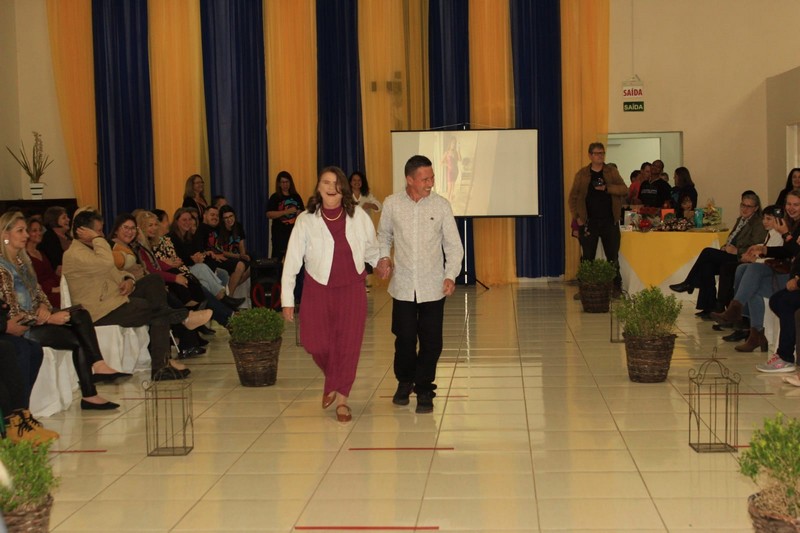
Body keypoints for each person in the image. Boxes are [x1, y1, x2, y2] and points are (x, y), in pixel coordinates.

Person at [63, 209, 211, 381]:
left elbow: (117, 272)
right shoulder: (75, 254)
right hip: (100, 311)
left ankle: (168, 351)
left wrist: (129, 280)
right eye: (98, 231)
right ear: (84, 231)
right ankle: (175, 335)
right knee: (154, 309)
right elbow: (107, 262)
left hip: (114, 299)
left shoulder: (90, 250)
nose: (101, 235)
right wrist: (98, 239)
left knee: (154, 281)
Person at [281, 166, 379, 423]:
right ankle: (334, 379)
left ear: (343, 188)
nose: (331, 187)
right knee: (313, 342)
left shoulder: (358, 216)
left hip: (352, 288)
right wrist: (287, 300)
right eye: (325, 182)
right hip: (317, 288)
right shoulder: (306, 220)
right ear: (318, 187)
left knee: (348, 344)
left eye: (336, 183)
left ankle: (342, 400)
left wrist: (382, 262)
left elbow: (372, 249)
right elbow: (292, 261)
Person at [0, 211, 126, 410]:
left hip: (38, 315)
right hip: (24, 325)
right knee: (78, 340)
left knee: (81, 314)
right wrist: (47, 318)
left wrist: (44, 307)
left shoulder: (22, 262)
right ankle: (90, 391)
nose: (27, 235)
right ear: (5, 235)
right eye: (21, 231)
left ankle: (98, 369)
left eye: (26, 230)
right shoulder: (3, 268)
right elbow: (12, 310)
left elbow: (38, 292)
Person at [375, 155, 464, 414]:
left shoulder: (441, 206)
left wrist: (450, 275)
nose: (430, 183)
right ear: (410, 179)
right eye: (425, 179)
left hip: (433, 286)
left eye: (432, 177)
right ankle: (405, 382)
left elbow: (454, 246)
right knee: (404, 338)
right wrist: (384, 258)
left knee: (431, 341)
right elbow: (384, 236)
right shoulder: (392, 204)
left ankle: (424, 388)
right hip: (402, 286)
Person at [711, 190, 800, 356]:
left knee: (751, 272)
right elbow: (787, 251)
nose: (791, 208)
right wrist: (764, 250)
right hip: (785, 271)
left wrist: (785, 235)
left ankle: (737, 313)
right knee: (749, 280)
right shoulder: (791, 223)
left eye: (796, 205)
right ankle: (754, 333)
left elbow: (795, 251)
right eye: (789, 204)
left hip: (790, 276)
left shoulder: (789, 227)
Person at [669, 191, 767, 317]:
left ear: (756, 208)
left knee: (707, 252)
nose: (745, 209)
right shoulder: (741, 220)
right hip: (730, 253)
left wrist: (737, 251)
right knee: (707, 265)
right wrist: (725, 247)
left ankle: (690, 283)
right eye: (743, 205)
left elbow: (756, 246)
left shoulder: (758, 223)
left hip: (741, 257)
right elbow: (732, 240)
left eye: (749, 206)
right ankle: (709, 307)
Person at [567, 142, 629, 292]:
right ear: (590, 155)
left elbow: (624, 189)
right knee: (588, 258)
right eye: (597, 153)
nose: (600, 156)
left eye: (602, 153)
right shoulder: (582, 174)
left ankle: (616, 288)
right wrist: (577, 217)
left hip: (610, 221)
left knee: (612, 257)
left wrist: (607, 188)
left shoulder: (611, 172)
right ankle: (585, 289)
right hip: (589, 222)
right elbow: (573, 198)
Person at [160, 208, 243, 312]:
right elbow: (178, 260)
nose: (188, 222)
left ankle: (223, 308)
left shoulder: (189, 237)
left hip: (191, 266)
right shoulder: (171, 238)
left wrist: (201, 255)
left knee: (208, 281)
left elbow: (194, 252)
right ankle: (224, 299)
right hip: (181, 270)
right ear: (176, 221)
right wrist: (193, 259)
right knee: (202, 268)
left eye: (190, 219)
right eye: (184, 220)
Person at [266, 170, 305, 260]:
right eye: (283, 182)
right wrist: (286, 212)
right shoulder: (275, 197)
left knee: (294, 260)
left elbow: (303, 213)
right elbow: (269, 214)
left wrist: (299, 213)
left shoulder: (296, 196)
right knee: (277, 260)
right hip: (279, 234)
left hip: (294, 233)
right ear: (279, 184)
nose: (285, 184)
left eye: (287, 182)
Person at [26, 217, 60, 308]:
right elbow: (30, 284)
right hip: (42, 295)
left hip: (55, 288)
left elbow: (51, 274)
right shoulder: (24, 257)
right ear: (27, 233)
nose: (39, 233)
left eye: (40, 230)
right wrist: (52, 289)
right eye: (34, 230)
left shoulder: (41, 253)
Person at [37, 206, 71, 276]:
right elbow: (56, 265)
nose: (68, 219)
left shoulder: (69, 236)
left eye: (67, 217)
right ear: (54, 220)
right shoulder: (49, 238)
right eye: (64, 218)